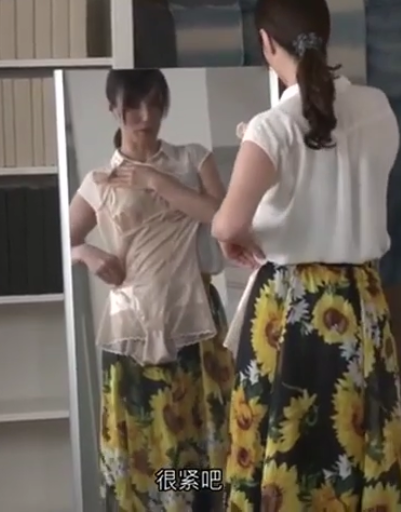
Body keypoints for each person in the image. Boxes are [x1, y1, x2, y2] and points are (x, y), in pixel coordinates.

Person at [210, 0, 401, 510]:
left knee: (281, 442)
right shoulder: (378, 107)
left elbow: (227, 223)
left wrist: (234, 235)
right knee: (358, 440)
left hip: (289, 307)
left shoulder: (272, 125)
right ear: (326, 33)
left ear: (265, 42)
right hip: (360, 300)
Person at [68, 69, 235, 512]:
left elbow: (223, 219)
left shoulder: (192, 158)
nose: (146, 116)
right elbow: (60, 240)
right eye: (134, 106)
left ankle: (199, 504)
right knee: (144, 434)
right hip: (133, 322)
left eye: (156, 104)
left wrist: (159, 182)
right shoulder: (100, 180)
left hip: (195, 315)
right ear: (113, 109)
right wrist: (87, 252)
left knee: (203, 432)